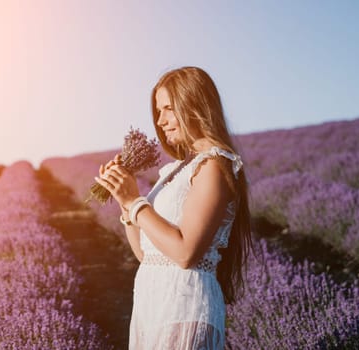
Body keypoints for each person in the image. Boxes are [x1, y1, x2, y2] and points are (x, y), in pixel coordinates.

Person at [94, 66, 252, 350]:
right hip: (153, 304)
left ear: (194, 104)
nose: (161, 120)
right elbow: (148, 254)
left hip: (185, 307)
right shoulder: (175, 170)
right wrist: (124, 202)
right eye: (158, 110)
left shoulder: (214, 165)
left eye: (168, 108)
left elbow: (185, 253)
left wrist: (135, 202)